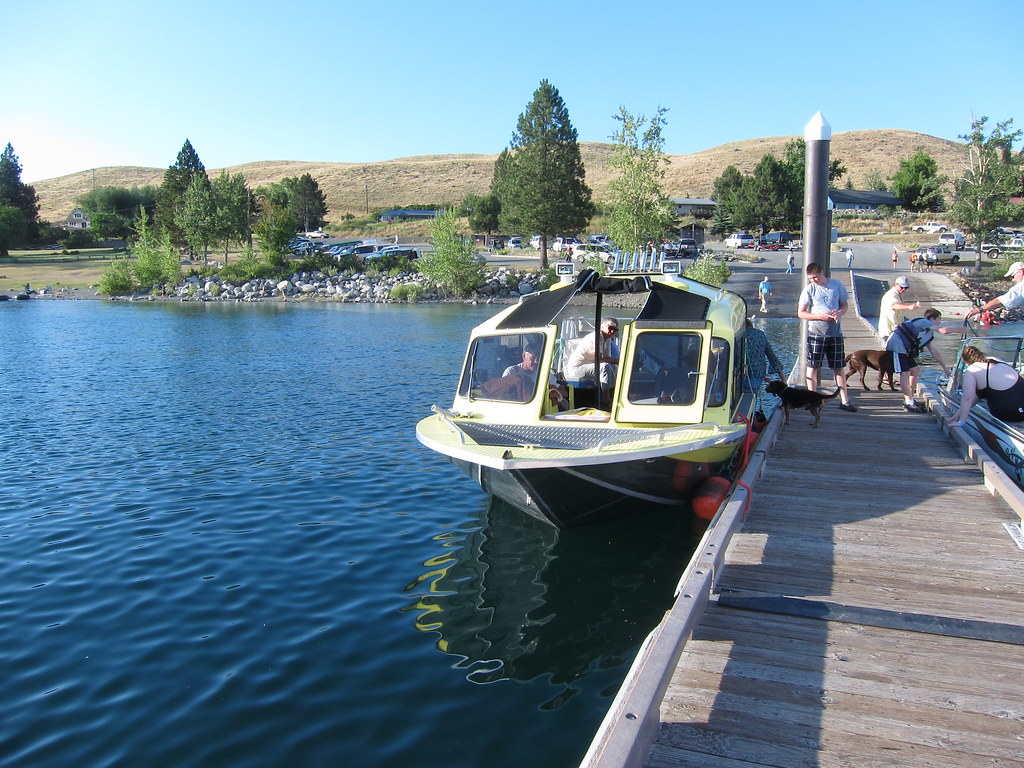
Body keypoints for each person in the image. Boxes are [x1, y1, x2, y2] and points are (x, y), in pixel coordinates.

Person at [797, 262, 857, 412]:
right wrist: (820, 317)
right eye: (811, 278)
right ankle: (812, 400)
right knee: (813, 366)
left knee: (839, 367)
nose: (813, 280)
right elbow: (801, 313)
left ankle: (845, 401)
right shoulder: (809, 290)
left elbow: (844, 305)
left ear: (822, 272)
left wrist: (838, 313)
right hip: (816, 333)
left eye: (815, 277)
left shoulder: (836, 285)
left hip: (835, 333)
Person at [883, 309, 953, 413]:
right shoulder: (924, 322)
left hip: (905, 350)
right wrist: (961, 329)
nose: (940, 322)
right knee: (904, 372)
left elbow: (934, 352)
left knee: (915, 369)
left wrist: (944, 368)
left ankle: (910, 397)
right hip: (896, 346)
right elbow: (943, 330)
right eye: (939, 319)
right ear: (932, 319)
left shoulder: (927, 332)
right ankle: (908, 402)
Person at [948, 345, 1024, 426]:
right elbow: (977, 396)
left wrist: (961, 422)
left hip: (1010, 414)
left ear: (966, 362)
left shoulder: (972, 369)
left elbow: (967, 398)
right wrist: (960, 412)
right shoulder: (996, 361)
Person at [565, 317, 620, 407]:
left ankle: (614, 394)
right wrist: (615, 360)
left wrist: (615, 362)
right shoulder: (596, 337)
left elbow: (607, 358)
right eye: (610, 328)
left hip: (590, 365)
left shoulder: (608, 339)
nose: (612, 331)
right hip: (577, 368)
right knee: (605, 367)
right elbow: (599, 359)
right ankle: (606, 400)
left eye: (615, 330)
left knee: (615, 367)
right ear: (602, 327)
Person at [743, 318, 786, 393]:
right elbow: (773, 358)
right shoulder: (761, 335)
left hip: (740, 379)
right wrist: (784, 381)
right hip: (757, 378)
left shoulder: (739, 335)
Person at [878, 276, 921, 340]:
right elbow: (894, 305)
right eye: (902, 287)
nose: (903, 289)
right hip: (887, 331)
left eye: (906, 288)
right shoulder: (891, 295)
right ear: (895, 284)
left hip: (894, 330)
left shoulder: (897, 294)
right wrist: (909, 307)